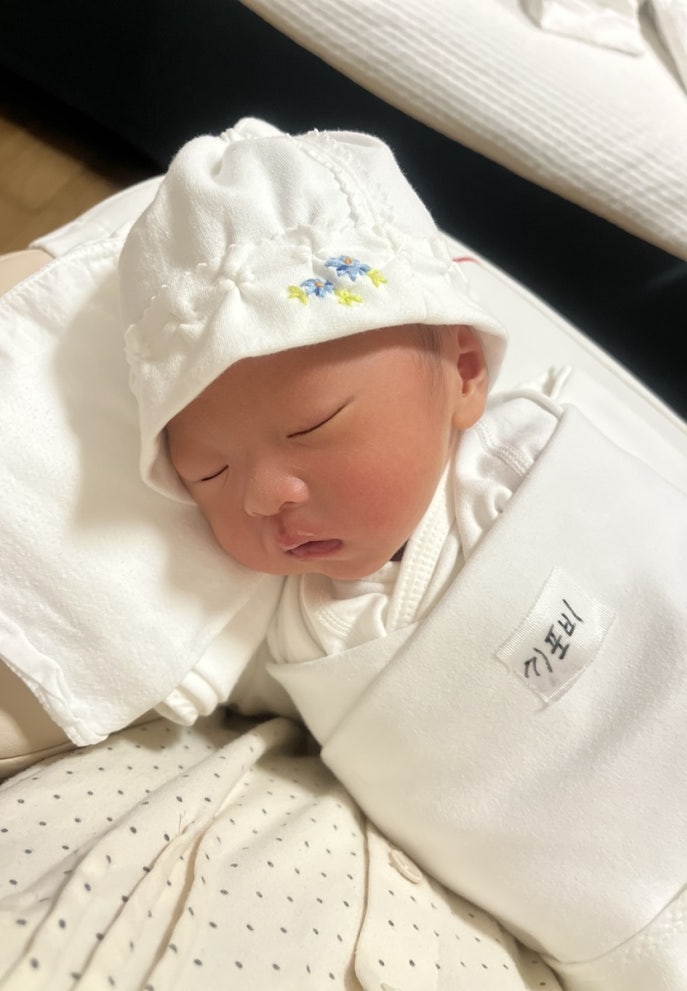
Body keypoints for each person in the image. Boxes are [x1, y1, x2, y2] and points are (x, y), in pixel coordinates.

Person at [119, 118, 687, 990]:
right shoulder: (290, 630)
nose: (262, 494)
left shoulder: (527, 453)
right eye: (210, 473)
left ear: (464, 373)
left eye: (313, 425)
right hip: (611, 930)